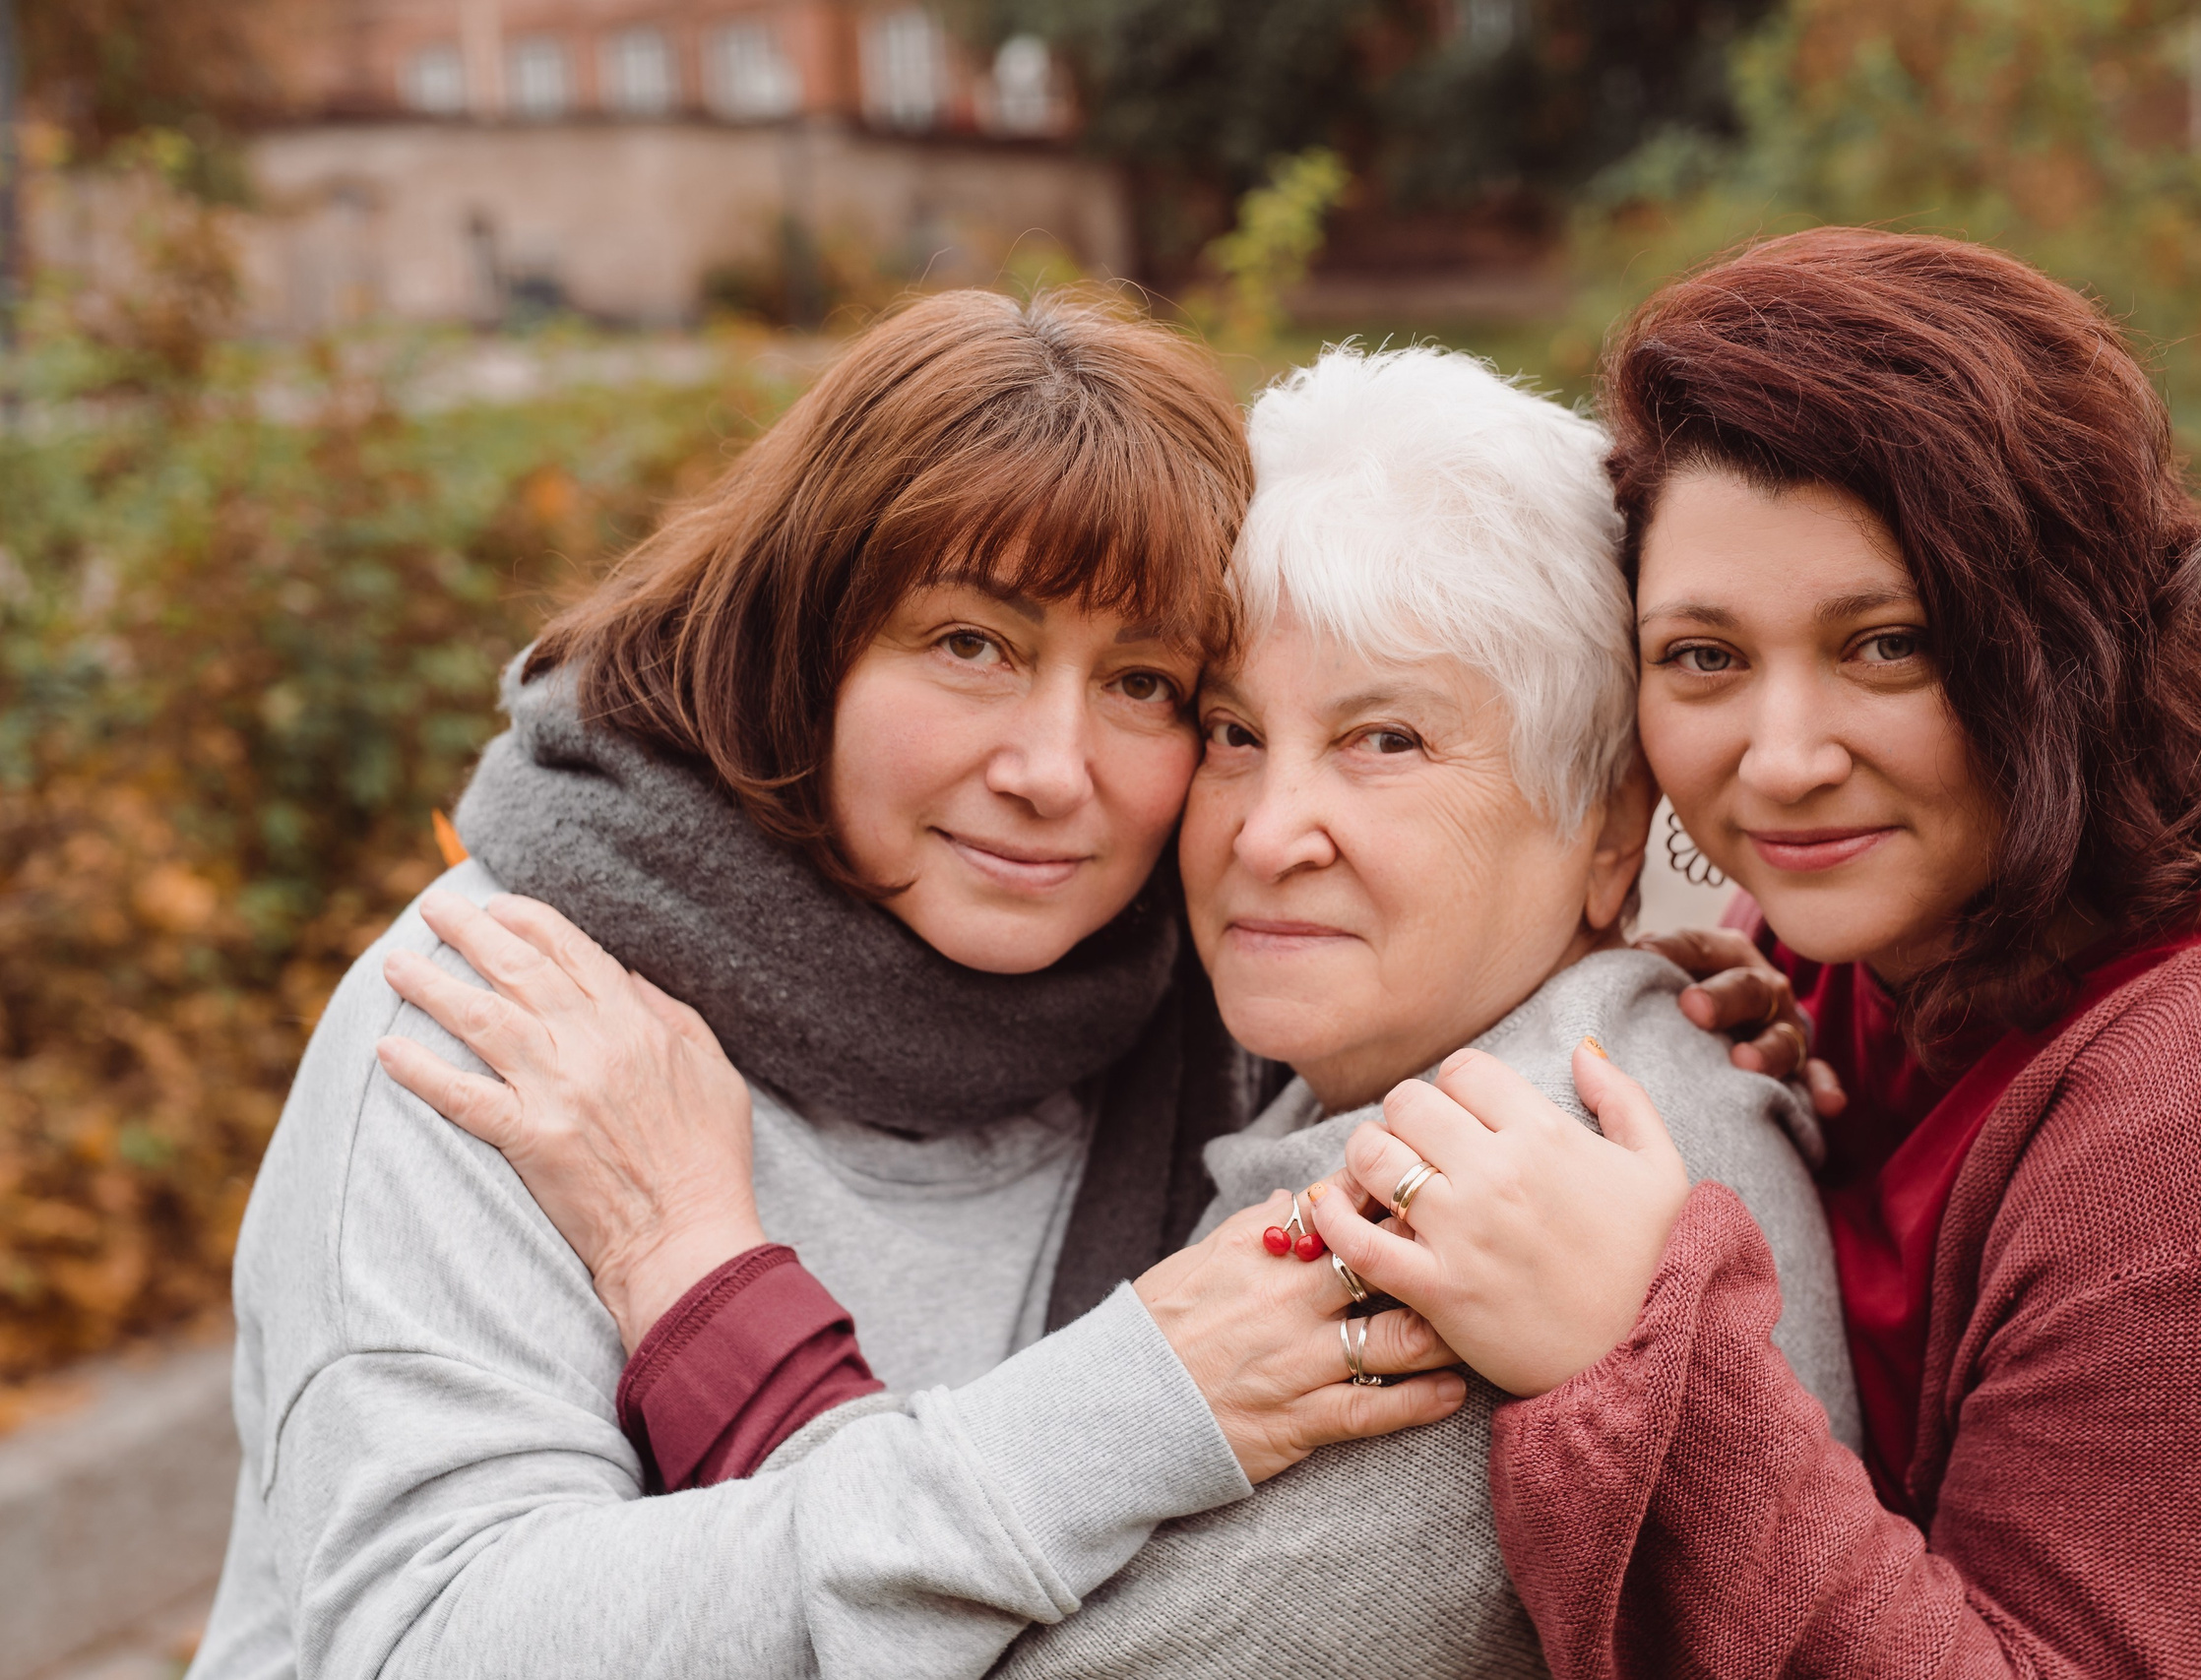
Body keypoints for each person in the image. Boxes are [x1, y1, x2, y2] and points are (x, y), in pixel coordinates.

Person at [381, 345, 1856, 1678]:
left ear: (1610, 832)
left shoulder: (1494, 1206)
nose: (1269, 830)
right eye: (1227, 729)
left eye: (1386, 740)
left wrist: (697, 1269)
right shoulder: (1401, 1051)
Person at [191, 288, 1473, 1680]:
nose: (1053, 772)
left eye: (1145, 682)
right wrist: (1117, 1415)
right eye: (971, 645)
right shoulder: (501, 1014)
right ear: (805, 645)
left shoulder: (1210, 1009)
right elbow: (429, 1643)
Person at [1306, 228, 2201, 1678]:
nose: (1786, 758)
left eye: (1888, 644)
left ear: (2062, 647)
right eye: (1705, 656)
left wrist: (1639, 1354)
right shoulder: (1898, 915)